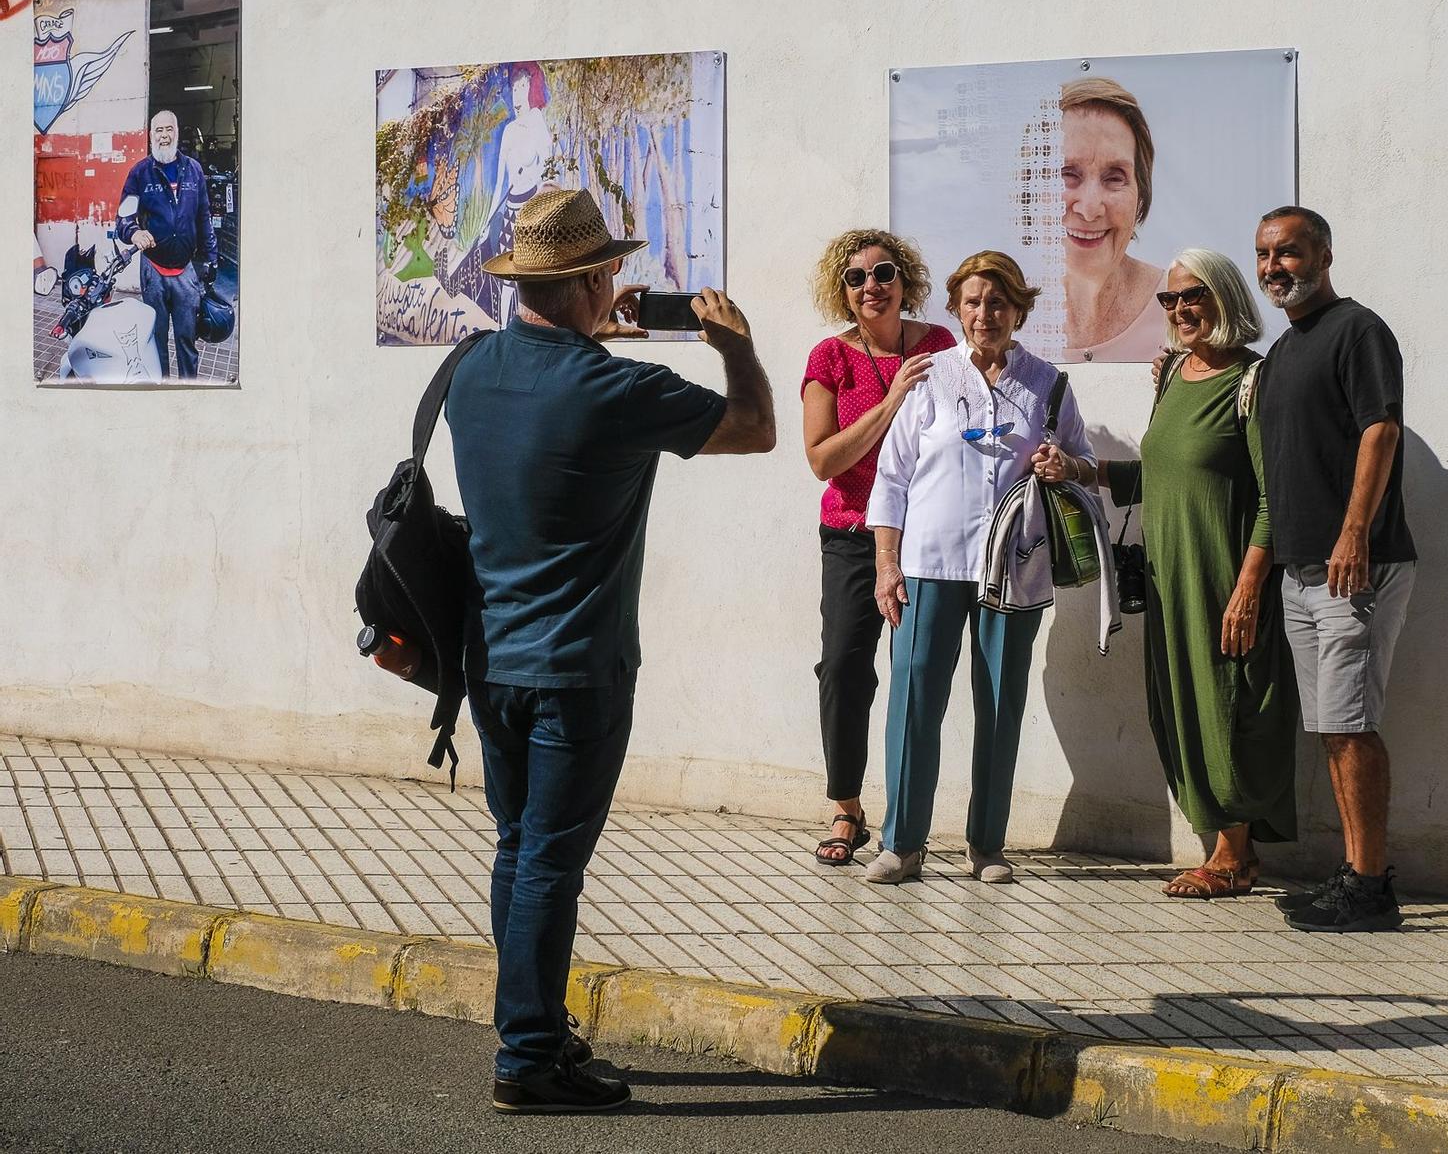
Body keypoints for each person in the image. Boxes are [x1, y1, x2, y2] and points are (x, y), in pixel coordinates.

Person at [444, 188, 775, 1113]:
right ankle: (529, 1058)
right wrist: (734, 346)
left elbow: (548, 397)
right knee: (550, 859)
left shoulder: (473, 367)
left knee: (518, 851)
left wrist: (589, 343)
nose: (620, 282)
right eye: (611, 271)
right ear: (591, 278)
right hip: (576, 670)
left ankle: (530, 1026)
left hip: (490, 661)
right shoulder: (621, 390)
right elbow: (757, 430)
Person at [864, 250, 1097, 884]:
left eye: (997, 302)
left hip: (1013, 568)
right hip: (929, 563)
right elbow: (890, 479)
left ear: (1019, 309)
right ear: (955, 310)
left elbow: (1086, 466)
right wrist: (888, 564)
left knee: (1000, 703)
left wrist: (1064, 466)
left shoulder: (1049, 384)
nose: (984, 314)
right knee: (914, 698)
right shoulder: (927, 378)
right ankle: (902, 843)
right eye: (972, 302)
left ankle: (987, 846)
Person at [1090, 248, 1296, 898]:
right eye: (1170, 299)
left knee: (1229, 704)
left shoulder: (1254, 382)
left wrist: (1248, 587)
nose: (1179, 309)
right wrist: (1083, 471)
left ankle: (1235, 854)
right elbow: (1158, 474)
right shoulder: (1175, 373)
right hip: (1167, 577)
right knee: (1179, 705)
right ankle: (1223, 846)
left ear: (1225, 297)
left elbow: (1274, 496)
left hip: (1225, 577)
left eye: (1193, 296)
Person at [1253, 206, 1417, 934]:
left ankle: (1373, 885)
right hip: (1301, 570)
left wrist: (1355, 532)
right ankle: (1356, 875)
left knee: (1351, 724)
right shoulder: (1283, 352)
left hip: (1356, 565)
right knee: (1331, 724)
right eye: (1263, 255)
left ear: (1323, 252)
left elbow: (1381, 428)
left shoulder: (1359, 331)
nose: (1272, 267)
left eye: (1287, 252)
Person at [800, 229, 955, 866]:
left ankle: (907, 817)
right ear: (843, 291)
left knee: (915, 676)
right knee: (843, 666)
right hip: (852, 534)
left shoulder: (940, 346)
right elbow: (822, 458)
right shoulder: (831, 359)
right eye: (857, 278)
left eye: (884, 272)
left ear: (904, 280)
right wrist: (892, 400)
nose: (872, 286)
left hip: (927, 536)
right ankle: (846, 809)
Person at [1059, 77, 1167, 362]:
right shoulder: (992, 308)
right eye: (1068, 173)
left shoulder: (1180, 305)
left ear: (1140, 194)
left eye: (1115, 177)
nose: (1090, 209)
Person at [443, 63, 556, 328]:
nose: (517, 94)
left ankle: (530, 330)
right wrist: (485, 224)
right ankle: (504, 330)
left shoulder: (537, 122)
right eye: (514, 88)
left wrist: (543, 213)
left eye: (523, 87)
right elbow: (500, 184)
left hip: (531, 212)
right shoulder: (509, 131)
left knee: (530, 279)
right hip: (510, 212)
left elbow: (548, 170)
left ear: (531, 89)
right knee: (507, 280)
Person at [115, 109, 215, 380]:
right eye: (158, 130)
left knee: (186, 339)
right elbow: (123, 217)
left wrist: (210, 260)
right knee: (156, 339)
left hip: (186, 272)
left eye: (169, 129)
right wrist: (134, 233)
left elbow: (203, 216)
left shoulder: (194, 170)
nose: (164, 136)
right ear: (151, 136)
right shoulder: (140, 173)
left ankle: (188, 390)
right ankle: (162, 390)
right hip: (153, 271)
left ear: (177, 132)